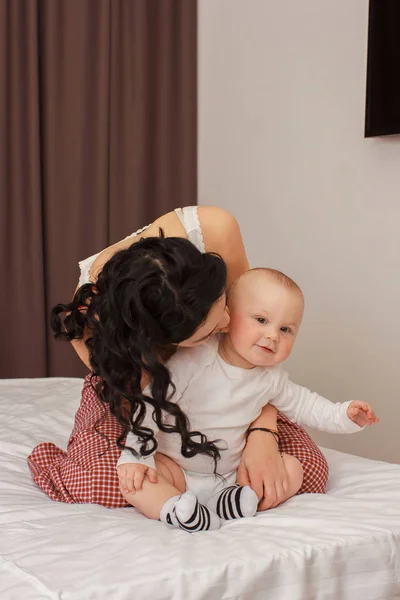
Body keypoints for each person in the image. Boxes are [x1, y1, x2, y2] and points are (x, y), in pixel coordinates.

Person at [28, 207, 329, 509]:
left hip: (236, 384)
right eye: (208, 331)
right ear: (164, 342)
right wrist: (161, 463)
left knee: (309, 471)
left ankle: (223, 495)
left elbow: (251, 348)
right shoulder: (95, 332)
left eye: (224, 304)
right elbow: (142, 413)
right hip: (146, 399)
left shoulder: (215, 230)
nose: (227, 323)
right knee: (100, 483)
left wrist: (262, 433)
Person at [116, 268, 378, 532]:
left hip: (232, 475)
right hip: (176, 467)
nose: (273, 335)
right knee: (136, 482)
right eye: (261, 320)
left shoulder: (271, 379)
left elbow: (307, 406)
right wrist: (136, 455)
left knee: (293, 469)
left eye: (286, 329)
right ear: (227, 317)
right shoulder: (195, 359)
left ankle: (224, 503)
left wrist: (346, 415)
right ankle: (174, 508)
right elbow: (151, 402)